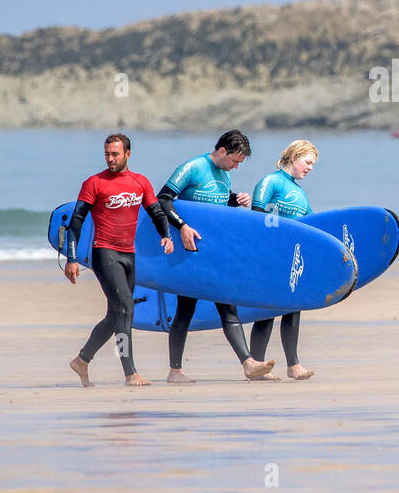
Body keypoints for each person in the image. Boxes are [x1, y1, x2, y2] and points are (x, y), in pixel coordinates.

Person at [155, 129, 277, 382]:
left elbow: (216, 205)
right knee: (185, 310)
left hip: (215, 253)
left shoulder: (224, 175)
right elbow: (163, 200)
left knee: (228, 306)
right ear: (222, 151)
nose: (235, 166)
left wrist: (235, 199)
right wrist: (182, 227)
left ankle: (248, 364)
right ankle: (175, 371)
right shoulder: (193, 166)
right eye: (235, 161)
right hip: (189, 254)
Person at [64, 133, 173, 387]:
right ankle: (130, 372)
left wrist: (166, 235)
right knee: (126, 307)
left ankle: (82, 360)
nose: (110, 159)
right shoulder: (95, 183)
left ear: (127, 154)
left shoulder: (140, 182)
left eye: (115, 154)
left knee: (116, 314)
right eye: (107, 154)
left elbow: (156, 212)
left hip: (128, 254)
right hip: (104, 252)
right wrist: (71, 258)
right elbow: (76, 221)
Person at [248, 139, 318, 381]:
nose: (310, 168)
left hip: (292, 257)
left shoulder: (299, 192)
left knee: (293, 310)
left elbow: (310, 226)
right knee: (267, 311)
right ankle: (256, 365)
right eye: (307, 162)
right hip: (270, 257)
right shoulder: (271, 182)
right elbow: (258, 219)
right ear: (294, 157)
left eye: (312, 164)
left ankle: (293, 365)